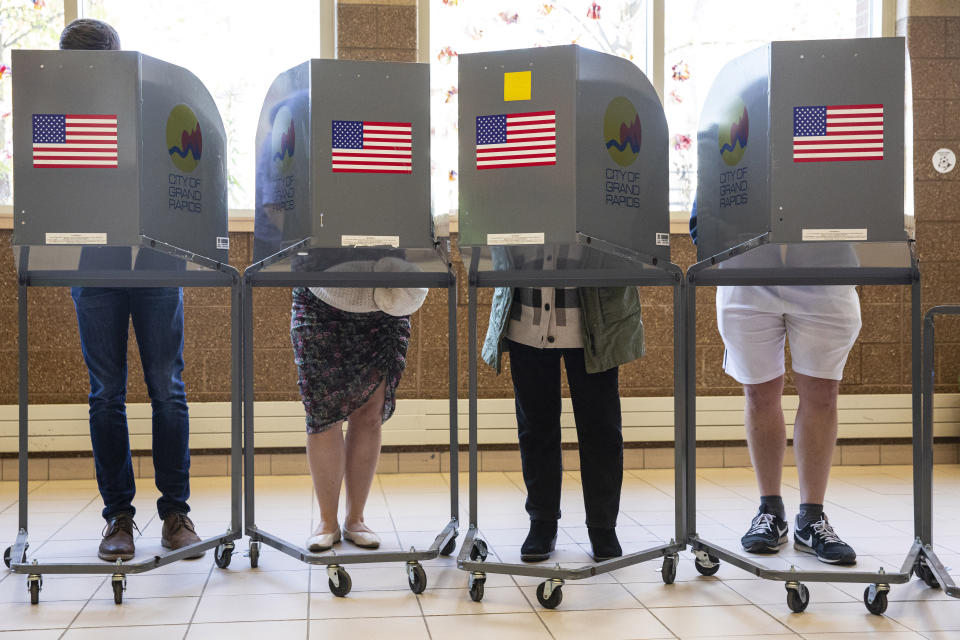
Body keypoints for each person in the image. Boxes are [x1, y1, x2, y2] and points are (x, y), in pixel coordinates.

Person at [62, 19, 202, 561]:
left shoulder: (155, 101)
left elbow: (183, 171)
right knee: (106, 395)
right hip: (94, 263)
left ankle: (175, 514)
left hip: (156, 259)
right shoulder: (58, 114)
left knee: (167, 389)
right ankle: (118, 516)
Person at [692, 200, 859, 565]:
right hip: (746, 262)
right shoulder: (732, 136)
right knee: (759, 391)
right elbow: (711, 183)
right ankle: (770, 511)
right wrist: (707, 235)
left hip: (824, 259)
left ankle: (811, 518)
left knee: (822, 393)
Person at [482, 245, 644, 562]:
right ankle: (541, 522)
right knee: (535, 428)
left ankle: (603, 526)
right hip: (526, 316)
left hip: (595, 319)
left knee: (601, 430)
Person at [291, 255, 427, 551]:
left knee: (370, 415)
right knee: (323, 413)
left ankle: (355, 520)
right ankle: (327, 522)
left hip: (386, 300)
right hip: (320, 295)